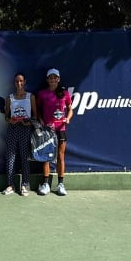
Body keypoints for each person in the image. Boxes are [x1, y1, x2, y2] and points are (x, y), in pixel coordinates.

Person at [37, 68, 73, 196]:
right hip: (48, 130)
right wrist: (41, 120)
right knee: (46, 156)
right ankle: (46, 184)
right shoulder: (42, 94)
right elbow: (38, 111)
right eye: (50, 78)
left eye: (55, 77)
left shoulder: (65, 93)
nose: (53, 80)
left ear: (58, 79)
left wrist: (67, 118)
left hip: (61, 129)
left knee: (60, 156)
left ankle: (60, 184)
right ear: (47, 79)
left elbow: (70, 109)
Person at [1, 72, 38, 196]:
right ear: (14, 83)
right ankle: (10, 185)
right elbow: (6, 116)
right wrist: (9, 120)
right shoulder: (9, 98)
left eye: (21, 81)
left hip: (25, 129)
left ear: (25, 82)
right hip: (12, 128)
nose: (19, 83)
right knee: (10, 157)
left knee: (24, 157)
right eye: (17, 81)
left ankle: (24, 185)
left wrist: (29, 122)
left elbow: (35, 116)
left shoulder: (30, 97)